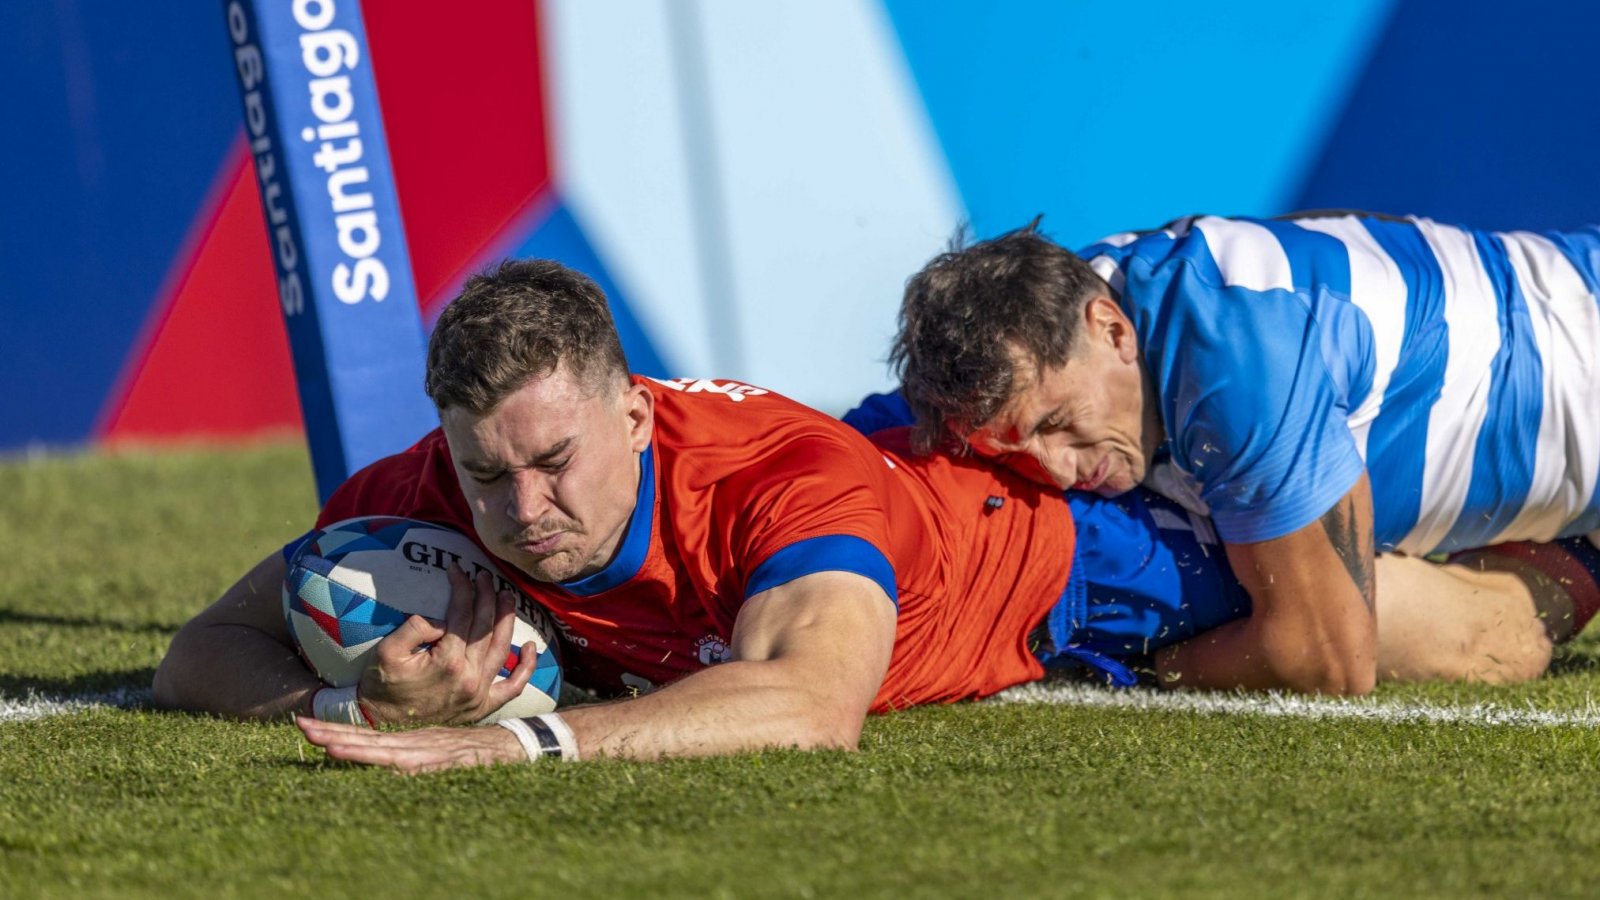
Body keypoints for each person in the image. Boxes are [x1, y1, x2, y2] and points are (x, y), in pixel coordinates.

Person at [152, 259, 1084, 772]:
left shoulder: (779, 480)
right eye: (487, 471)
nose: (522, 510)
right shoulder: (425, 491)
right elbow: (200, 650)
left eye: (556, 462)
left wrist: (501, 745)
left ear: (634, 416)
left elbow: (813, 701)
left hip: (1058, 563)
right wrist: (351, 703)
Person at [888, 211, 1600, 696]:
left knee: (1479, 638)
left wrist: (1145, 664)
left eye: (1057, 424)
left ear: (1110, 329)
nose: (1058, 470)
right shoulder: (1086, 300)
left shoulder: (1236, 366)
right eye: (1015, 450)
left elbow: (1328, 660)